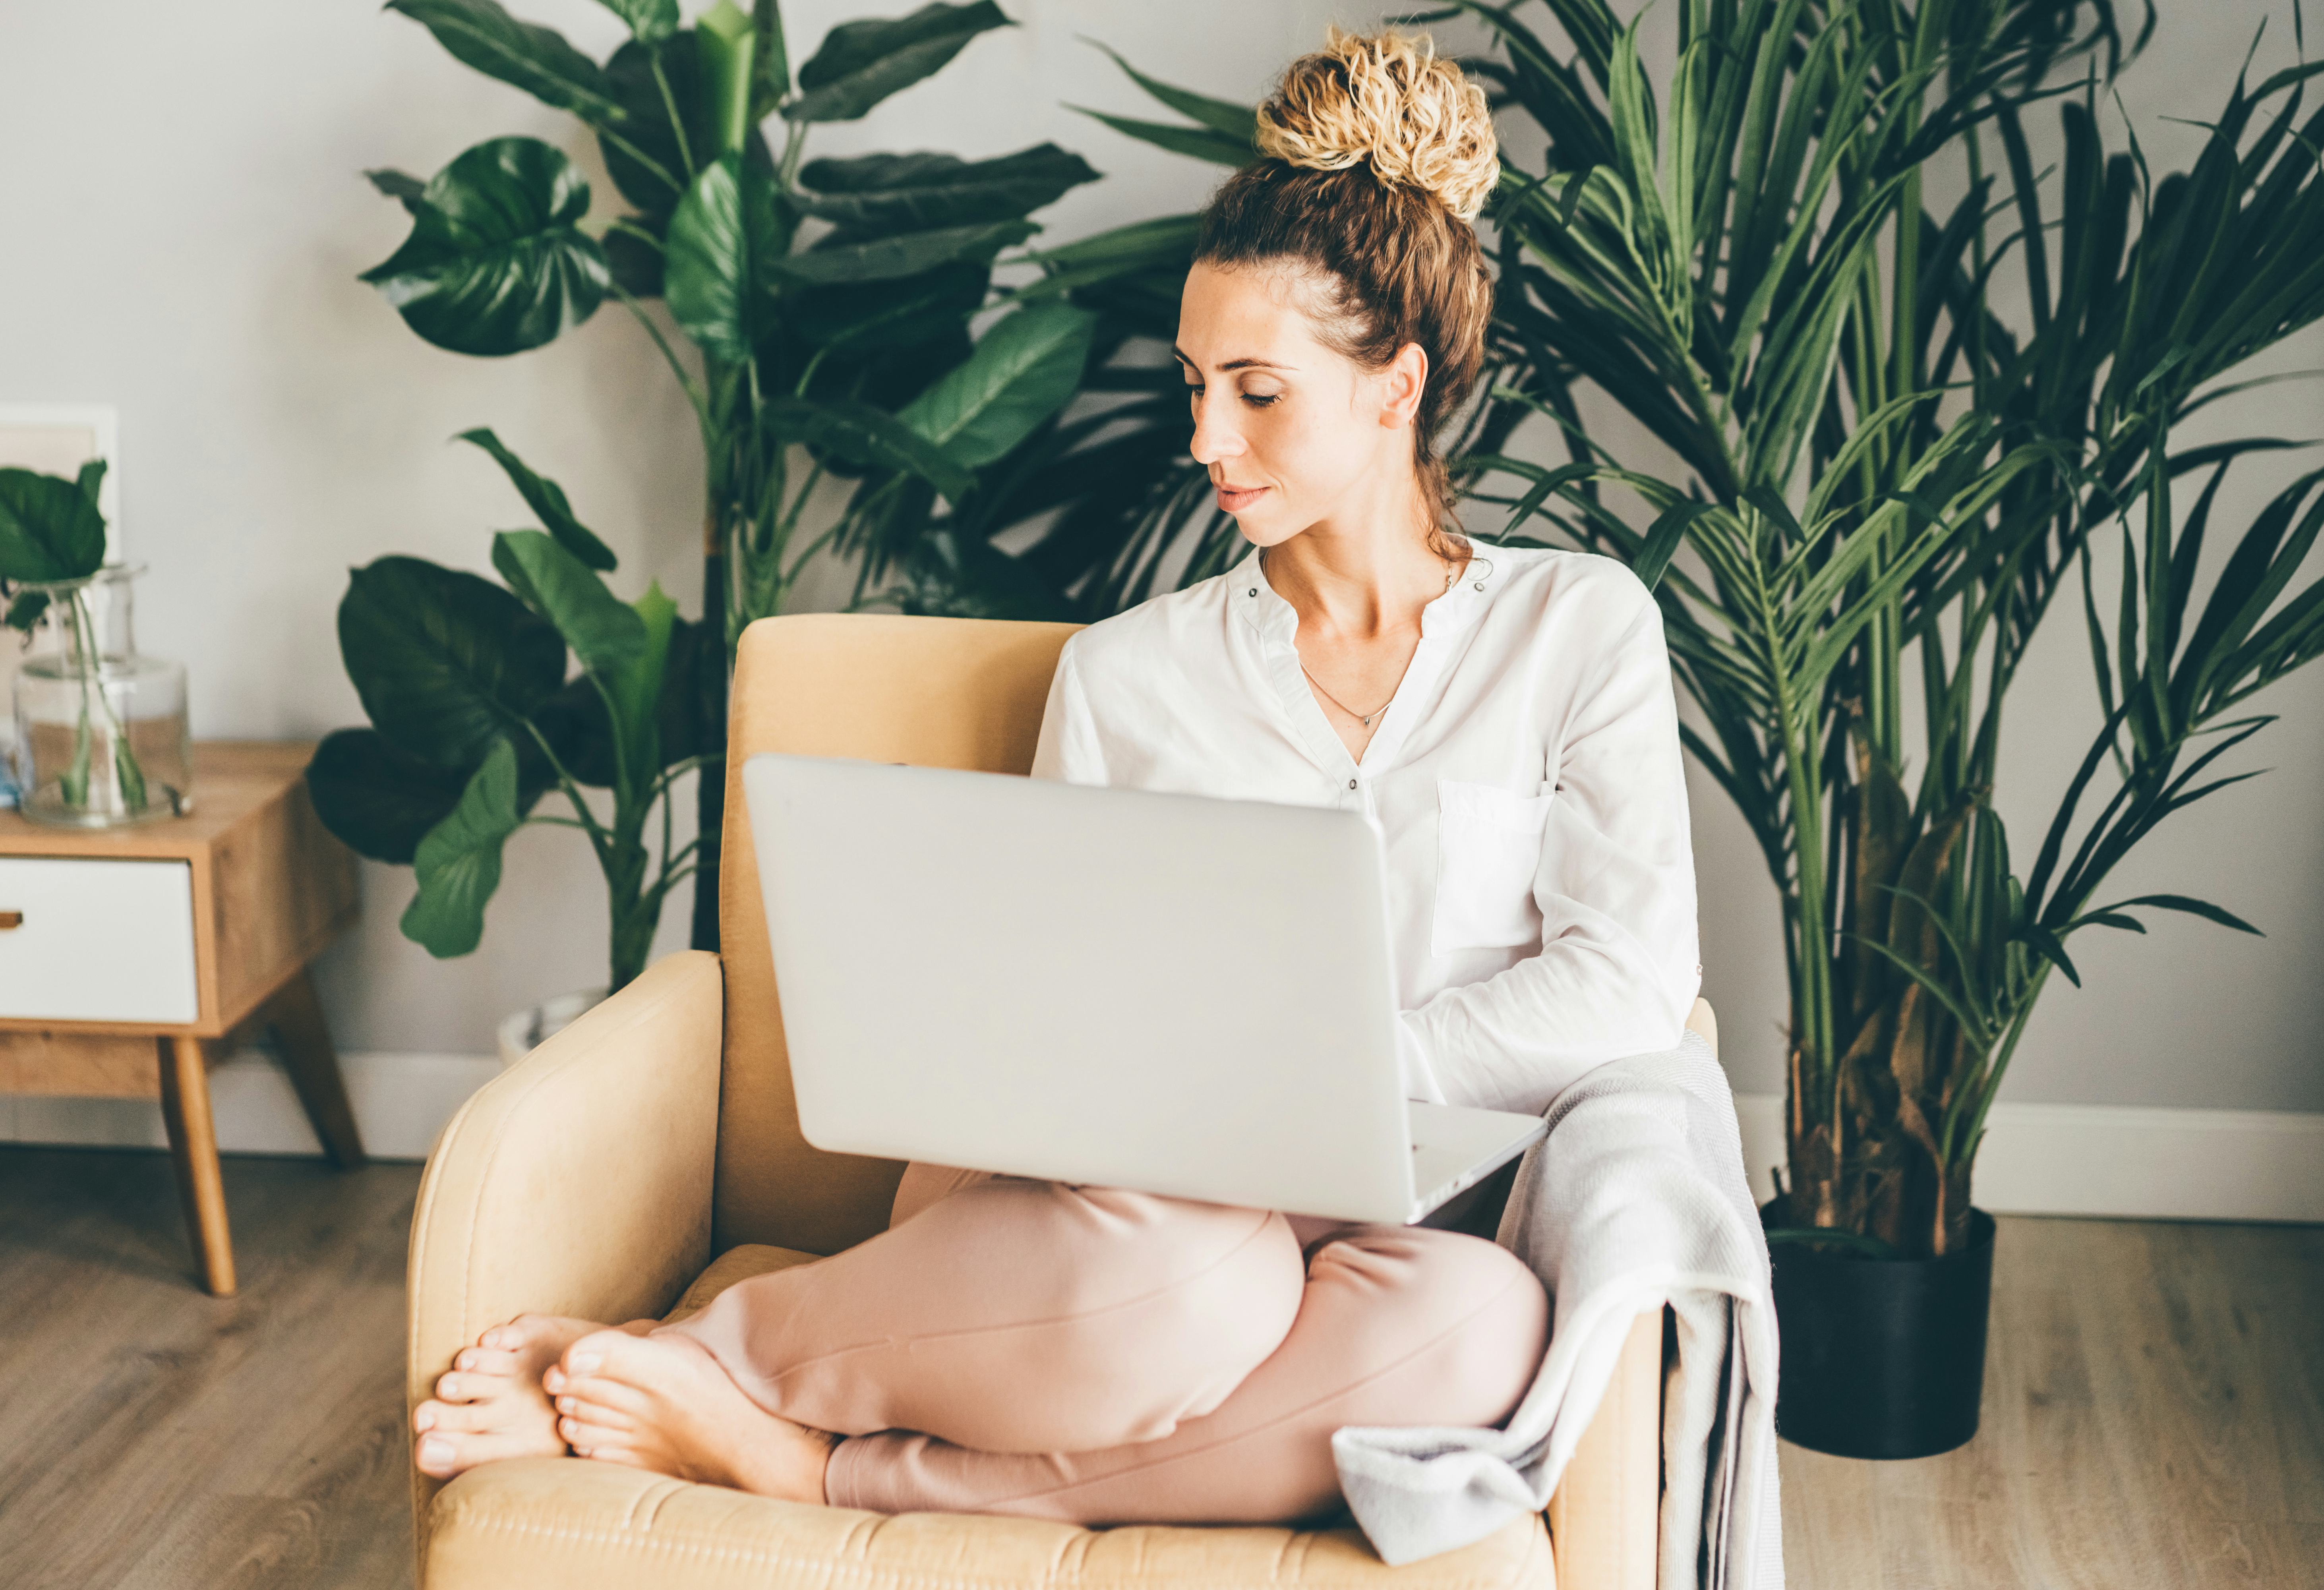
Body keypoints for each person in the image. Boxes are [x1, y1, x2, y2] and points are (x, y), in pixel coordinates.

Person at [408, 26, 1699, 1528]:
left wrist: (1323, 1088)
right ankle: (703, 1361)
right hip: (1123, 1221)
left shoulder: (1576, 625)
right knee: (1205, 1272)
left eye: (1259, 391)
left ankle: (816, 1461)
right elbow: (1049, 1019)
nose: (1206, 437)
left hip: (1408, 1215)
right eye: (1196, 383)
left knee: (1484, 1327)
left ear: (1397, 385)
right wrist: (1189, 1120)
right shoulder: (1130, 675)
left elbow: (1623, 984)